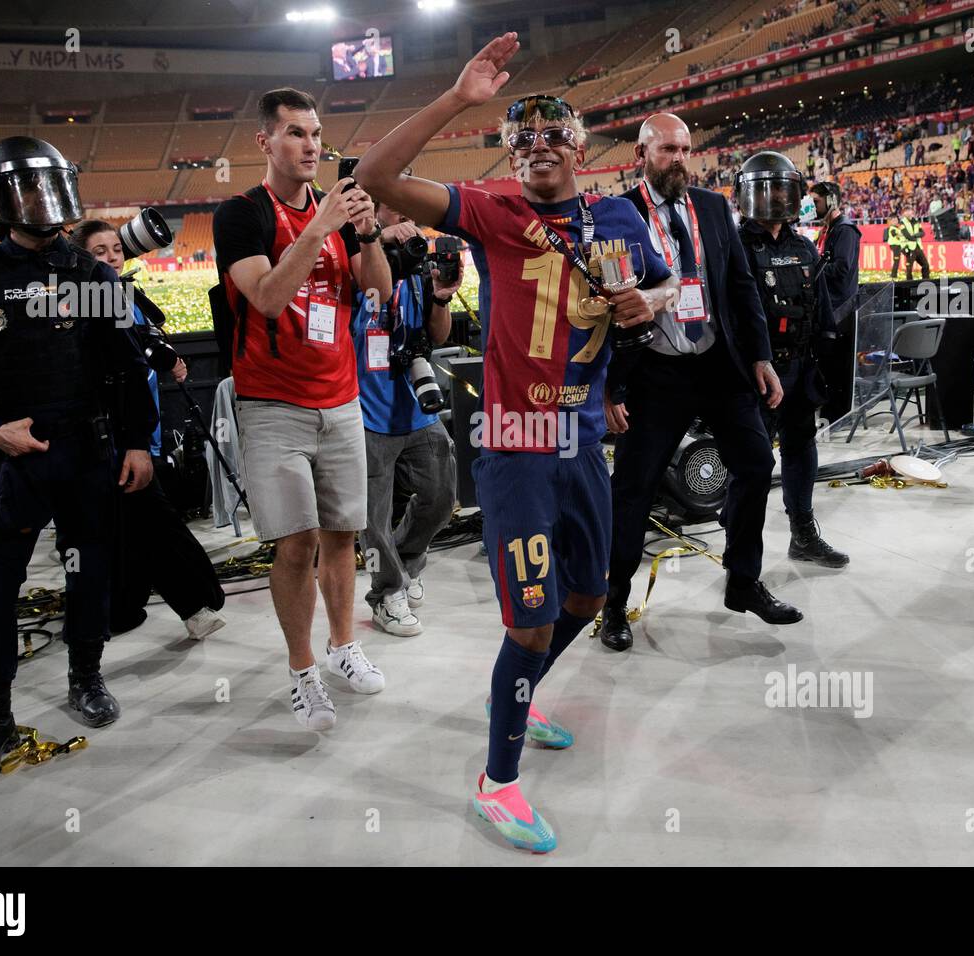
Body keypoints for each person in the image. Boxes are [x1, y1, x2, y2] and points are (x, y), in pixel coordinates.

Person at [354, 34, 677, 854]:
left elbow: (668, 284)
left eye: (551, 136)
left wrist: (651, 299)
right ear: (510, 154)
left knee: (589, 598)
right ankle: (497, 784)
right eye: (520, 138)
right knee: (529, 622)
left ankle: (522, 698)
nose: (536, 148)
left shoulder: (618, 216)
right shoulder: (492, 211)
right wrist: (457, 99)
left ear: (578, 147)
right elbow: (375, 180)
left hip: (580, 439)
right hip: (516, 442)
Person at [0, 136, 157, 787]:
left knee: (88, 574)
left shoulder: (92, 275)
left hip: (86, 453)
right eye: (26, 187)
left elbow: (128, 363)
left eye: (47, 184)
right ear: (0, 200)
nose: (40, 200)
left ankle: (86, 675)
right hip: (9, 461)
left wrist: (139, 441)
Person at [213, 88, 392, 731]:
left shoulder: (341, 211)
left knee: (344, 535)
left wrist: (366, 232)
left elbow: (378, 291)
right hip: (271, 406)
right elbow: (264, 297)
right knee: (296, 544)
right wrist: (320, 227)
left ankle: (345, 647)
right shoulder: (240, 214)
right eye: (294, 133)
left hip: (340, 398)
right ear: (265, 141)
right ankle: (302, 669)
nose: (311, 145)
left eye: (316, 133)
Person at [599, 112, 794, 655]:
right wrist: (610, 387)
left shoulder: (711, 207)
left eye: (685, 149)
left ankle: (743, 580)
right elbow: (600, 311)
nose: (679, 159)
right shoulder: (619, 215)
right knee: (634, 490)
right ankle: (614, 603)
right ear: (641, 156)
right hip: (655, 373)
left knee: (757, 464)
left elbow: (740, 284)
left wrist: (759, 356)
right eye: (667, 150)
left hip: (717, 363)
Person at [69, 219, 228, 641]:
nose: (110, 257)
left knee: (129, 527)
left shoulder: (126, 294)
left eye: (114, 249)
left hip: (144, 432)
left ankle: (120, 610)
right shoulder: (84, 301)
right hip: (115, 438)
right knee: (157, 522)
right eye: (98, 252)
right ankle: (198, 602)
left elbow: (147, 347)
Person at [734, 152, 848, 569]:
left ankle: (803, 533)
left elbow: (820, 308)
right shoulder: (734, 245)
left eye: (782, 188)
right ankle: (740, 548)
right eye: (766, 189)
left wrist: (827, 357)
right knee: (752, 464)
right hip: (755, 375)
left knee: (802, 448)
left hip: (800, 368)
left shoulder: (803, 247)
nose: (775, 197)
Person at [354, 201, 458, 636]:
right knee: (370, 520)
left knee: (441, 495)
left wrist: (439, 296)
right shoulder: (358, 261)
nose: (403, 219)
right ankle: (385, 593)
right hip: (365, 410)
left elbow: (438, 335)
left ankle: (404, 561)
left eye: (406, 212)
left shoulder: (418, 265)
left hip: (417, 403)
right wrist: (379, 241)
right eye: (392, 211)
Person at [809, 181, 861, 422]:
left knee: (837, 366)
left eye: (816, 202)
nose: (813, 207)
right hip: (830, 307)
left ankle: (838, 413)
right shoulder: (829, 230)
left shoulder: (846, 230)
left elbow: (841, 268)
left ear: (831, 200)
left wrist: (812, 269)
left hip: (842, 310)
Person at [898, 206, 930, 280]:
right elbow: (907, 236)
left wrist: (915, 235)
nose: (911, 212)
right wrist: (916, 237)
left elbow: (922, 233)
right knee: (909, 268)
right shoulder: (902, 223)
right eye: (909, 211)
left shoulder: (916, 221)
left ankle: (926, 281)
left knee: (925, 265)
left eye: (911, 211)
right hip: (908, 248)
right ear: (904, 213)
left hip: (917, 246)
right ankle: (909, 283)